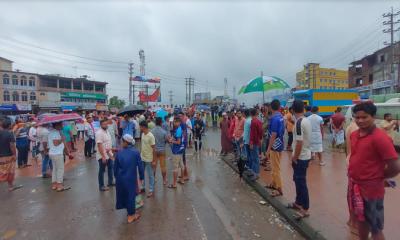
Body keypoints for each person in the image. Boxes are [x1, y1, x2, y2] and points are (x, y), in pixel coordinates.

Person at [348, 102, 400, 240]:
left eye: (364, 117)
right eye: (357, 117)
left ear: (373, 117)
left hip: (372, 190)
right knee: (361, 220)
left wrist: (379, 177)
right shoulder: (354, 135)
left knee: (375, 227)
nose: (360, 120)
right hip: (356, 186)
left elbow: (395, 167)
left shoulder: (380, 138)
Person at [289, 100, 312, 219]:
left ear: (292, 110)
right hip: (305, 155)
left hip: (301, 157)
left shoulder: (299, 123)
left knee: (301, 182)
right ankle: (298, 203)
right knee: (297, 181)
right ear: (303, 109)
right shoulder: (306, 120)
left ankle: (305, 208)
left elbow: (299, 142)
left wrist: (294, 158)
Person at [114, 134, 144, 224]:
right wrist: (142, 177)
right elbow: (140, 166)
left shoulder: (119, 153)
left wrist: (117, 178)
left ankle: (130, 212)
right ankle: (131, 216)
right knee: (131, 196)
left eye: (122, 141)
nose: (121, 143)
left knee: (124, 195)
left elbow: (115, 168)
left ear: (126, 142)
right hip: (130, 178)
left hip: (120, 178)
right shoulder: (135, 152)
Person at [266, 99, 285, 196]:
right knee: (274, 166)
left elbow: (273, 135)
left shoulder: (274, 119)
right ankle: (274, 183)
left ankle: (279, 188)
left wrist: (268, 149)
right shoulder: (281, 117)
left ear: (271, 107)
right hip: (280, 143)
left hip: (274, 145)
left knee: (276, 167)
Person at [0, 117, 22, 192]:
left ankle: (11, 186)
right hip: (8, 156)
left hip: (1, 157)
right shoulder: (9, 134)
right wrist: (14, 155)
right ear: (9, 126)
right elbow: (12, 146)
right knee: (10, 173)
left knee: (2, 172)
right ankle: (10, 186)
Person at [48, 122, 70, 192]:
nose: (62, 126)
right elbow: (55, 143)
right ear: (57, 125)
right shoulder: (55, 133)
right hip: (57, 153)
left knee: (55, 169)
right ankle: (59, 186)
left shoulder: (53, 132)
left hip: (53, 153)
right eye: (61, 125)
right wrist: (62, 139)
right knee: (60, 169)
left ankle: (54, 185)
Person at [96, 119, 114, 192]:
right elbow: (99, 145)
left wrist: (111, 153)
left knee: (110, 168)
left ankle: (110, 182)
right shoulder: (99, 133)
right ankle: (101, 186)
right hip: (102, 155)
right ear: (101, 125)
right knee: (102, 170)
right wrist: (103, 156)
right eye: (104, 124)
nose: (105, 125)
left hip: (109, 154)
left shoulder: (107, 131)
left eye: (106, 124)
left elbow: (108, 143)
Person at [139, 121, 156, 198]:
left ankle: (151, 190)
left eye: (140, 127)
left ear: (144, 127)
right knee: (141, 173)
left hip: (149, 159)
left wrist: (154, 160)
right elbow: (143, 146)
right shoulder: (142, 134)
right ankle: (142, 187)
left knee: (150, 175)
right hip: (142, 157)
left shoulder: (151, 136)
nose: (140, 128)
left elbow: (154, 149)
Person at [168, 118, 185, 189]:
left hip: (176, 151)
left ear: (178, 122)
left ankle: (174, 184)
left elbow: (178, 142)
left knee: (175, 167)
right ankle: (182, 179)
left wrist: (171, 141)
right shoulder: (179, 129)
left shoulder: (178, 130)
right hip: (180, 150)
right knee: (181, 165)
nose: (173, 123)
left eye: (175, 122)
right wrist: (172, 139)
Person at [151, 117, 168, 185]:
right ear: (161, 123)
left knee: (154, 166)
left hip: (154, 150)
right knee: (163, 166)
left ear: (155, 122)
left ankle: (153, 179)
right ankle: (164, 180)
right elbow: (166, 140)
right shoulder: (164, 131)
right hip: (162, 150)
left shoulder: (152, 131)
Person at [249, 108, 263, 181]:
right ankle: (255, 173)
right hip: (257, 141)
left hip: (254, 142)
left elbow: (252, 134)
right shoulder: (258, 121)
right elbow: (261, 132)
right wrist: (260, 138)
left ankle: (256, 174)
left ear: (251, 114)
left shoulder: (253, 122)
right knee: (255, 158)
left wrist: (251, 142)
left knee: (255, 158)